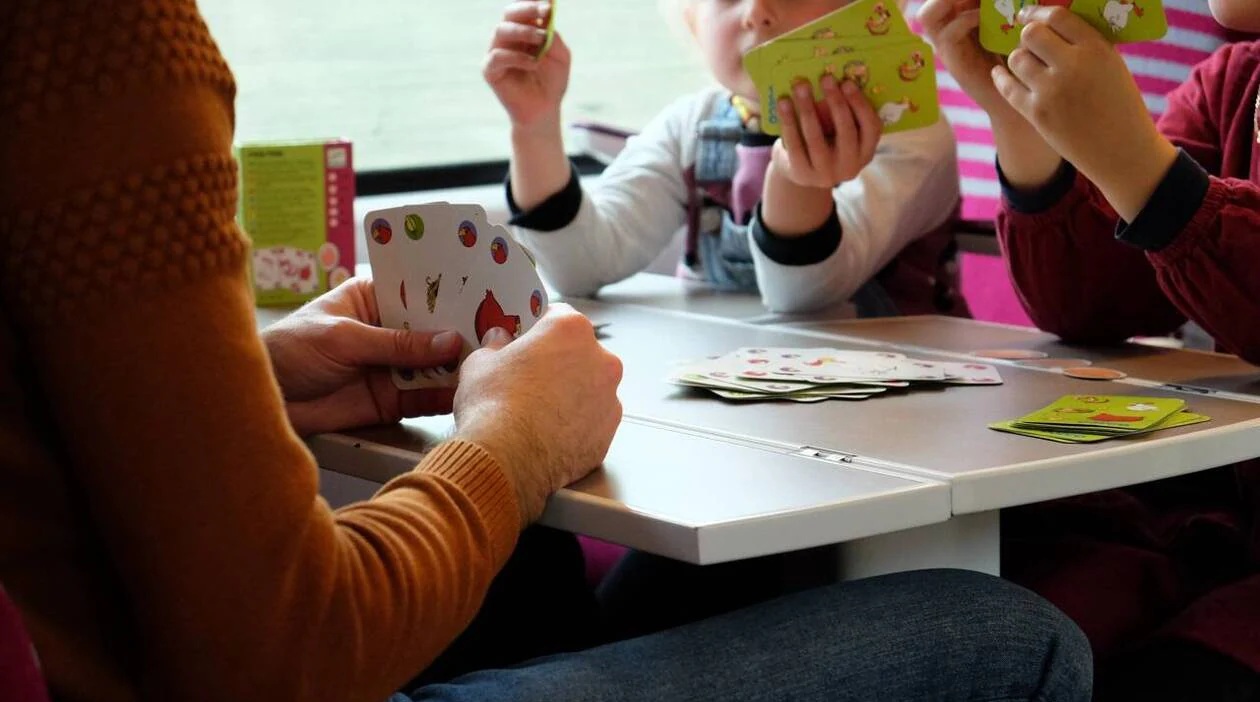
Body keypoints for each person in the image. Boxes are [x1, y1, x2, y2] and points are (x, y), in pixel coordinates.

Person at [0, 1, 1094, 700]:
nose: (758, 13)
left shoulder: (909, 133)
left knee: (568, 562)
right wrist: (512, 446)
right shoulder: (96, 53)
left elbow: (810, 284)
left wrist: (260, 384)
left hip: (858, 417)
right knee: (1005, 637)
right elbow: (277, 653)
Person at [919, 0, 1260, 698]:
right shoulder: (1230, 81)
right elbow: (1095, 308)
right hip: (1220, 525)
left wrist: (1143, 170)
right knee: (995, 593)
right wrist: (1021, 121)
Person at [483, 0, 969, 317]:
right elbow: (580, 267)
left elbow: (806, 297)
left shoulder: (909, 132)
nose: (756, 12)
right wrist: (535, 128)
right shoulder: (691, 126)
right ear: (692, 18)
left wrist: (794, 176)